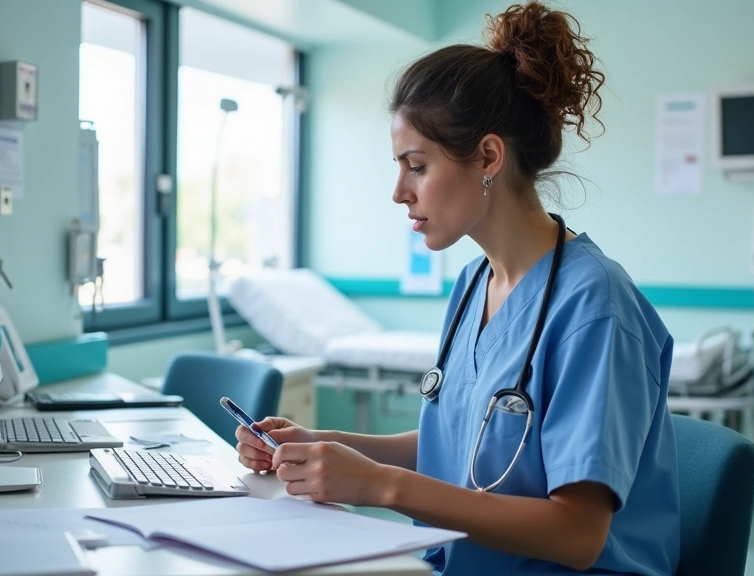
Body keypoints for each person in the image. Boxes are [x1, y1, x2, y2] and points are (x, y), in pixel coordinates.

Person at [235, 2, 680, 574]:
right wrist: (319, 447)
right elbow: (460, 448)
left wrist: (385, 487)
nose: (399, 192)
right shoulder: (475, 285)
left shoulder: (596, 307)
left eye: (416, 166)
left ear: (489, 156)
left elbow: (578, 534)